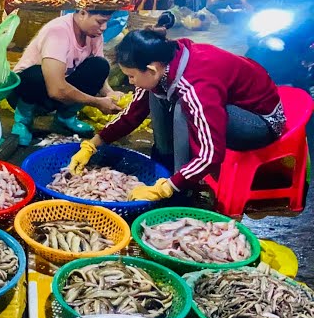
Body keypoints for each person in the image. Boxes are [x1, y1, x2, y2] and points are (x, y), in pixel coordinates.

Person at [70, 27, 284, 202]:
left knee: (183, 108)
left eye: (132, 76)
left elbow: (211, 155)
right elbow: (132, 114)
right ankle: (165, 162)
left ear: (151, 69)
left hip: (260, 122)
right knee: (154, 94)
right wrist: (93, 144)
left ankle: (182, 187)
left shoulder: (196, 86)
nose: (130, 82)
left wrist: (169, 188)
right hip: (228, 103)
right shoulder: (163, 62)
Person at [10, 9, 121, 146]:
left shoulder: (93, 34)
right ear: (82, 13)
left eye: (106, 22)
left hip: (61, 89)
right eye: (100, 22)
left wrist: (109, 93)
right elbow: (56, 90)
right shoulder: (58, 32)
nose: (104, 28)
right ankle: (23, 121)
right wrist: (97, 102)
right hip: (29, 91)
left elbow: (99, 73)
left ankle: (65, 117)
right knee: (36, 75)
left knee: (100, 66)